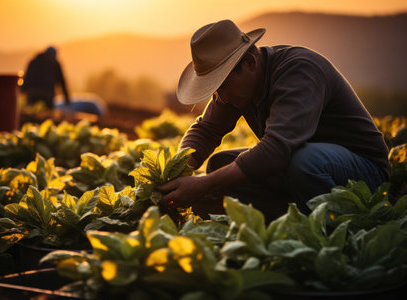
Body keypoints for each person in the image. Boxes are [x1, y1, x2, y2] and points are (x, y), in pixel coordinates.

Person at [158, 20, 390, 221]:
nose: (221, 97)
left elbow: (277, 148)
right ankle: (286, 219)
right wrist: (178, 169)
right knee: (220, 165)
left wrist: (203, 184)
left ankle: (333, 227)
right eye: (214, 91)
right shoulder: (237, 88)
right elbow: (206, 130)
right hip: (303, 166)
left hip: (363, 171)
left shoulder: (299, 71)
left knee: (305, 161)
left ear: (250, 62)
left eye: (223, 85)